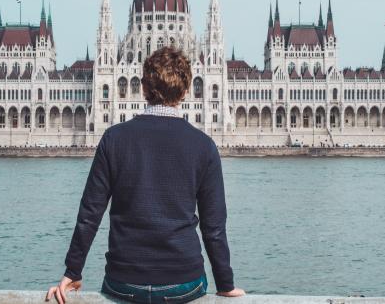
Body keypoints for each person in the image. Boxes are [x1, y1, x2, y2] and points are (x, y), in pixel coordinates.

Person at [46, 47, 244, 303]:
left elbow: (90, 213)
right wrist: (225, 284)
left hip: (124, 281)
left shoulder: (113, 139)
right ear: (185, 91)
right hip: (184, 283)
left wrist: (73, 271)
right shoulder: (204, 146)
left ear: (144, 88)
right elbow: (214, 227)